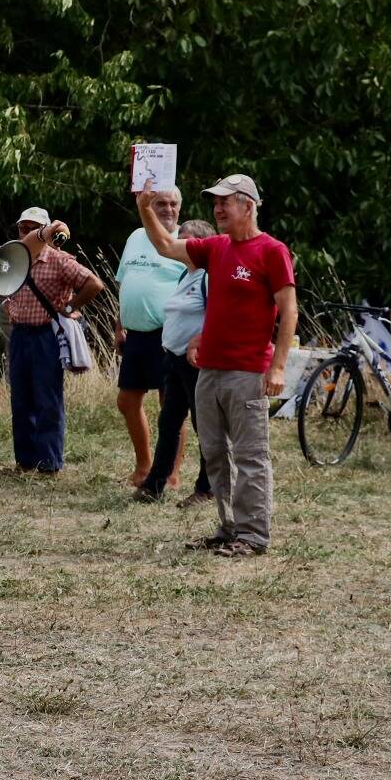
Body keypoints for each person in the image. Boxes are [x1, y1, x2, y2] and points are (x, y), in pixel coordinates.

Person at [135, 174, 296, 558]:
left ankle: (254, 534)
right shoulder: (217, 247)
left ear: (249, 206)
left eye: (226, 202)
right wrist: (144, 209)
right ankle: (228, 529)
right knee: (215, 453)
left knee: (250, 455)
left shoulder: (272, 251)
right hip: (209, 371)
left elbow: (289, 310)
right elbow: (166, 245)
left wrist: (276, 368)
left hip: (247, 372)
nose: (218, 209)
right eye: (215, 202)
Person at [3, 206, 102, 475]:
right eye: (23, 227)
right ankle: (24, 461)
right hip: (20, 333)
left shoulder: (59, 260)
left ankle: (48, 464)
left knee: (47, 399)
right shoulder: (13, 259)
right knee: (20, 399)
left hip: (46, 335)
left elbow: (94, 284)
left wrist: (69, 308)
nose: (26, 232)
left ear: (46, 232)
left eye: (33, 227)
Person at [133, 218, 216, 507]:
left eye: (187, 240)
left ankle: (207, 488)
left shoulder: (208, 277)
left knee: (202, 425)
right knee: (168, 423)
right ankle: (155, 484)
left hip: (195, 364)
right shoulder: (186, 275)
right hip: (174, 360)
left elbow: (216, 317)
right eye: (180, 238)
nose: (180, 245)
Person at [114, 185, 187, 486]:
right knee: (127, 400)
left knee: (171, 405)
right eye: (160, 203)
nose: (167, 209)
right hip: (137, 335)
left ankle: (170, 472)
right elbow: (125, 281)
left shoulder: (185, 240)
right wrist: (119, 326)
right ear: (147, 204)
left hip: (170, 333)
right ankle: (144, 466)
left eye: (173, 204)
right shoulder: (134, 236)